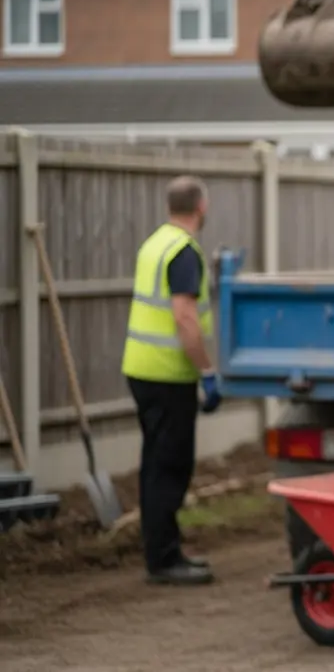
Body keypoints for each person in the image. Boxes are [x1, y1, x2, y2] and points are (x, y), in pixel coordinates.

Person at [122, 175, 223, 586]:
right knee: (169, 466)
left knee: (154, 465)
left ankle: (161, 552)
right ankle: (164, 560)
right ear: (201, 207)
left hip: (141, 369)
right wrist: (207, 372)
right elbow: (184, 317)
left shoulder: (154, 243)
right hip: (168, 375)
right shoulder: (183, 252)